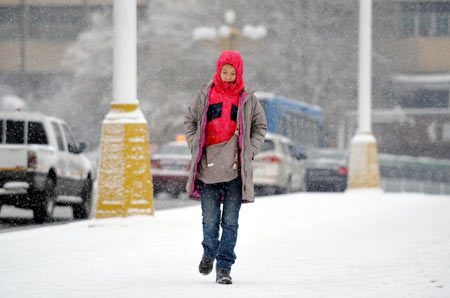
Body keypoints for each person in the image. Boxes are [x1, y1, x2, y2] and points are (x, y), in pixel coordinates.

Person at [184, 51, 267, 284]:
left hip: (236, 170)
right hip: (207, 167)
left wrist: (250, 150)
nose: (228, 76)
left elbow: (260, 126)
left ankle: (224, 267)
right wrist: (194, 144)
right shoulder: (205, 95)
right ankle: (209, 252)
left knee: (230, 221)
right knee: (210, 219)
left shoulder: (247, 99)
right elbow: (189, 121)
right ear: (219, 70)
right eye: (225, 71)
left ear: (239, 73)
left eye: (233, 72)